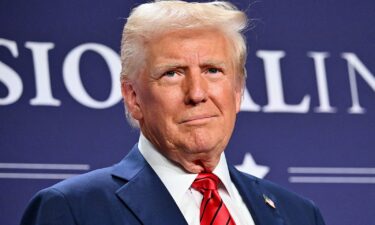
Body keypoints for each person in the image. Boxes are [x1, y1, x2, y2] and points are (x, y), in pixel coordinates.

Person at [20, 1, 326, 225]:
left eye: (213, 70)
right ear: (133, 97)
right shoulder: (74, 210)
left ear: (238, 89)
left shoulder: (298, 213)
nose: (196, 93)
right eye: (172, 73)